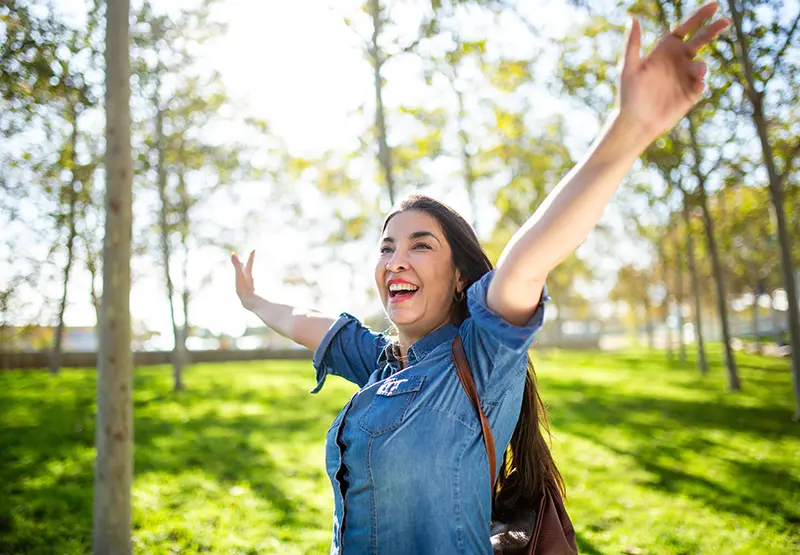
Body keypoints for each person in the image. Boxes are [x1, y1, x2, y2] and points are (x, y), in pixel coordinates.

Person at [231, 4, 730, 553]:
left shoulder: (484, 356)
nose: (396, 259)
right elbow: (305, 321)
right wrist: (254, 301)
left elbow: (528, 260)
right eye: (386, 247)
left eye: (421, 245)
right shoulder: (380, 361)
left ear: (460, 274)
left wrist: (629, 129)